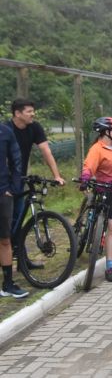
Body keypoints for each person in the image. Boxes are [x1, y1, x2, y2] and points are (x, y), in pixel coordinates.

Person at [7, 99, 66, 252]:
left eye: (33, 111)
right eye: (29, 111)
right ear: (17, 113)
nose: (33, 114)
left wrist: (56, 175)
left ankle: (22, 259)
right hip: (4, 180)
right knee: (7, 220)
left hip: (19, 179)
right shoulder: (6, 129)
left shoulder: (34, 127)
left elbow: (46, 151)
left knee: (18, 218)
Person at [79, 117, 112, 282]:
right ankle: (109, 267)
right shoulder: (97, 149)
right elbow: (89, 166)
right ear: (106, 132)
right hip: (107, 191)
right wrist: (85, 178)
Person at [0, 122, 27, 298]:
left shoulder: (5, 131)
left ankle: (8, 284)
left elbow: (17, 160)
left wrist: (14, 188)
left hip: (3, 192)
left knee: (4, 240)